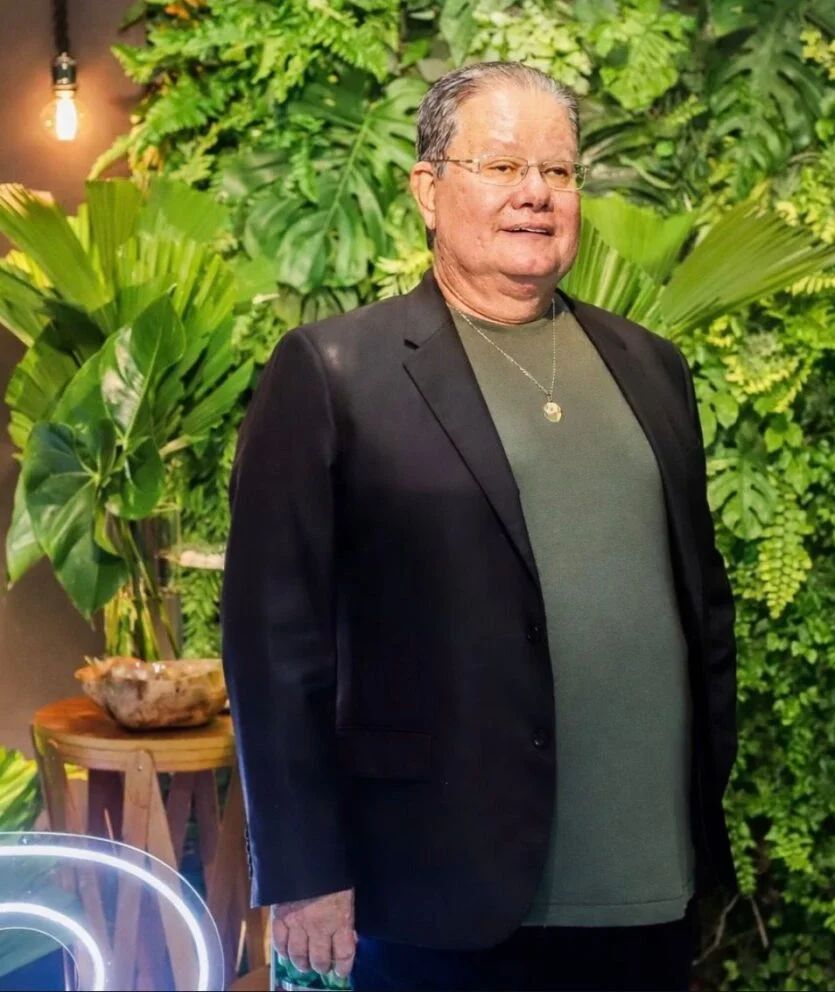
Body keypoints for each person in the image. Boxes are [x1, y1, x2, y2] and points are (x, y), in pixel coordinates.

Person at [221, 61, 738, 992]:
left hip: (649, 887)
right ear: (428, 190)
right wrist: (305, 870)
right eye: (501, 167)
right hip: (438, 896)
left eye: (558, 170)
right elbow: (273, 641)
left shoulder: (652, 366)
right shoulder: (332, 371)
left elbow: (702, 605)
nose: (535, 193)